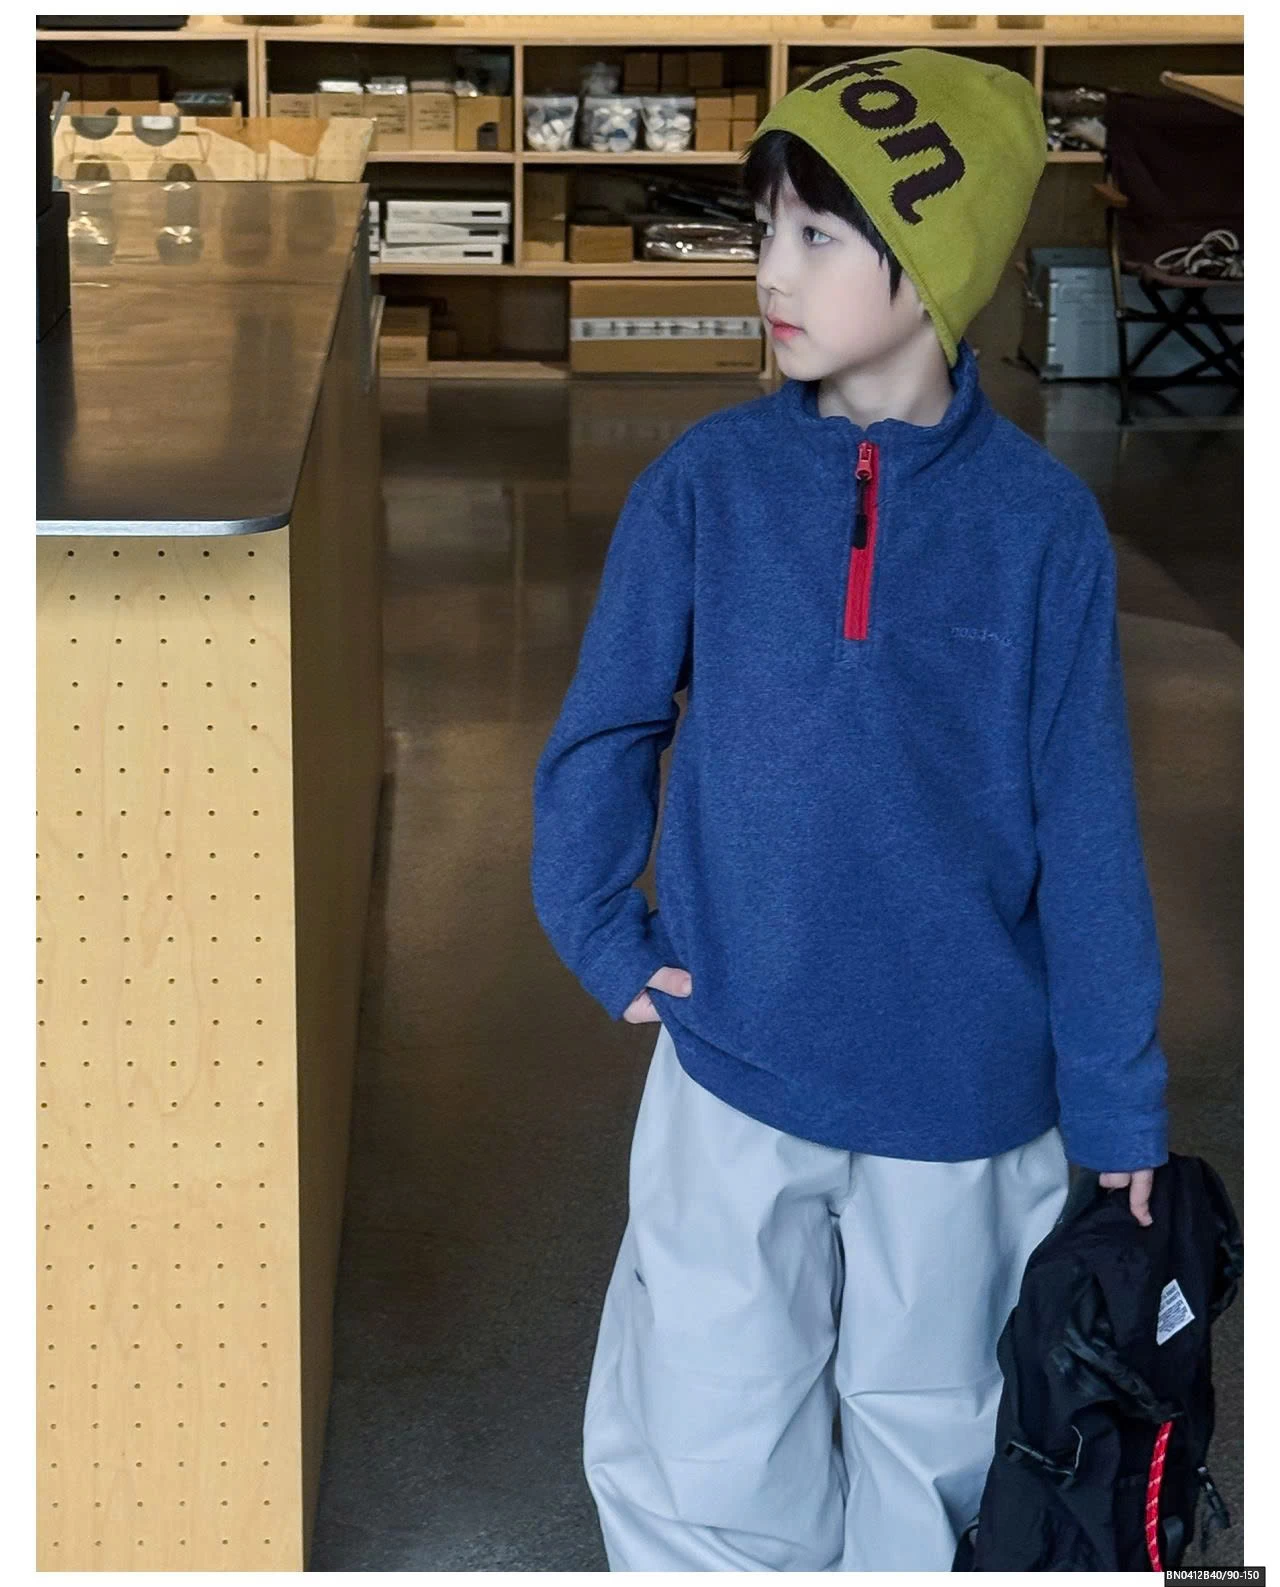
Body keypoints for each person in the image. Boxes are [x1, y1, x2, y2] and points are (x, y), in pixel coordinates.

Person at [530, 47, 1168, 1573]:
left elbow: (1087, 825)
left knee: (936, 1433)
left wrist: (1118, 1098)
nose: (771, 269)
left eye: (818, 233)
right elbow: (607, 725)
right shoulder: (705, 484)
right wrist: (602, 931)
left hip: (967, 1087)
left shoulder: (1043, 532)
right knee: (709, 1417)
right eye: (765, 228)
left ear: (935, 258)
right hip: (737, 1048)